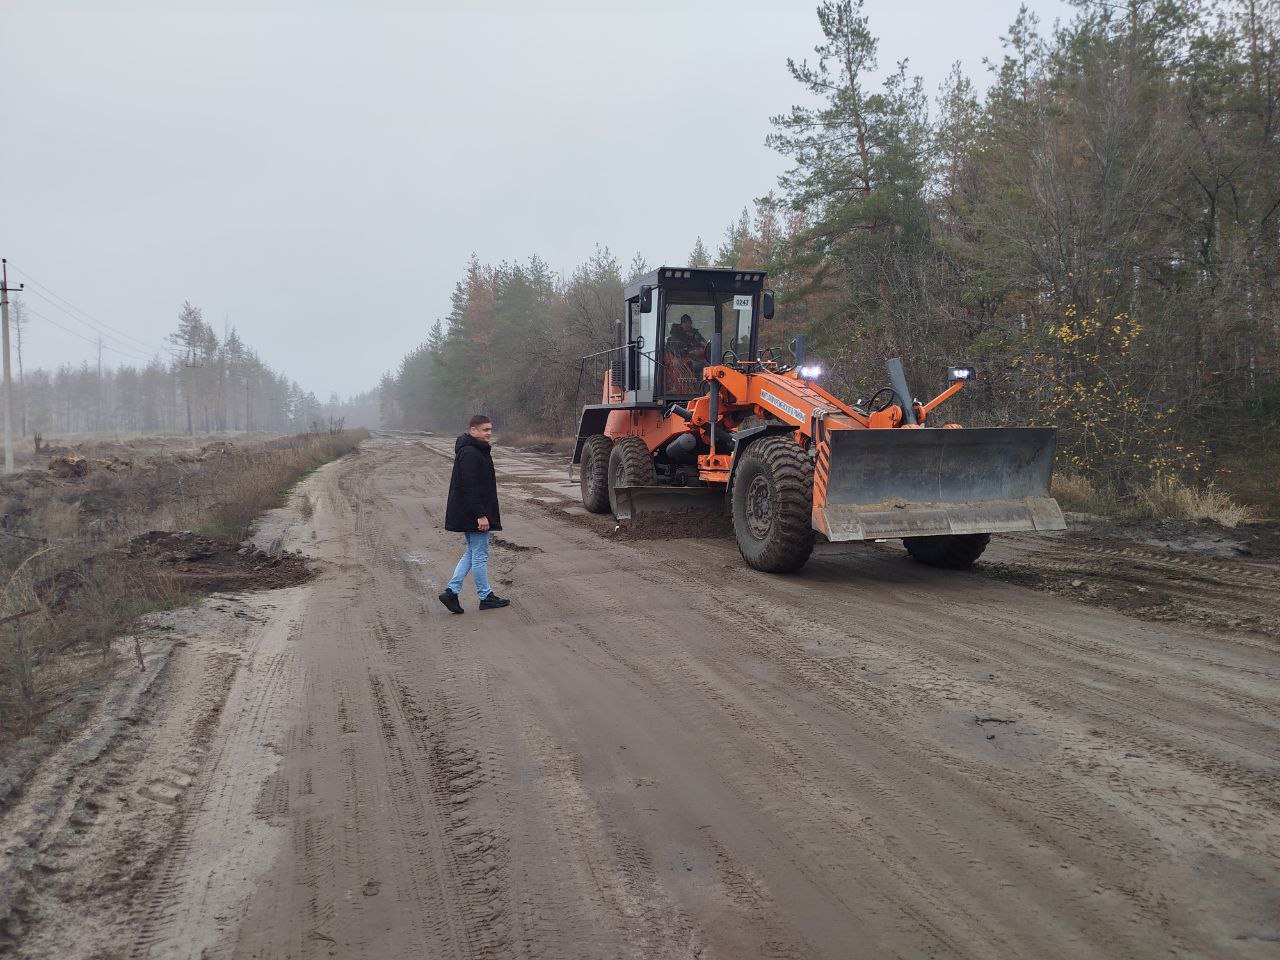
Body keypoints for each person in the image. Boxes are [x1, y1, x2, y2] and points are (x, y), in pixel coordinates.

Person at [438, 414, 510, 613]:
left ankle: (452, 592)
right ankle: (485, 596)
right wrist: (481, 514)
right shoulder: (470, 453)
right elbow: (470, 486)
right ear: (473, 430)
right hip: (473, 513)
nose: (489, 433)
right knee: (480, 555)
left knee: (472, 552)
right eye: (485, 429)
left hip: (469, 511)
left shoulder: (474, 450)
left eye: (490, 429)